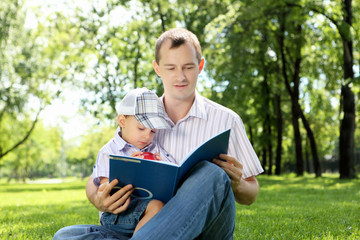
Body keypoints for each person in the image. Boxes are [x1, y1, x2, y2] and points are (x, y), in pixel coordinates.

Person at [53, 28, 264, 240]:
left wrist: (236, 184)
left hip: (202, 231)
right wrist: (97, 199)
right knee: (65, 236)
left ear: (200, 66)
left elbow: (251, 193)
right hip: (139, 224)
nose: (180, 76)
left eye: (188, 67)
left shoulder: (227, 120)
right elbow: (101, 171)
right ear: (157, 68)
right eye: (171, 67)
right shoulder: (140, 116)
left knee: (212, 174)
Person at [92, 87, 176, 238]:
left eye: (152, 132)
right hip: (118, 214)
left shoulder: (155, 148)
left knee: (162, 207)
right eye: (141, 128)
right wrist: (132, 168)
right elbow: (104, 190)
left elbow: (175, 174)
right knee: (156, 206)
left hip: (146, 213)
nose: (146, 136)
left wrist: (161, 165)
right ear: (122, 121)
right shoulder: (109, 151)